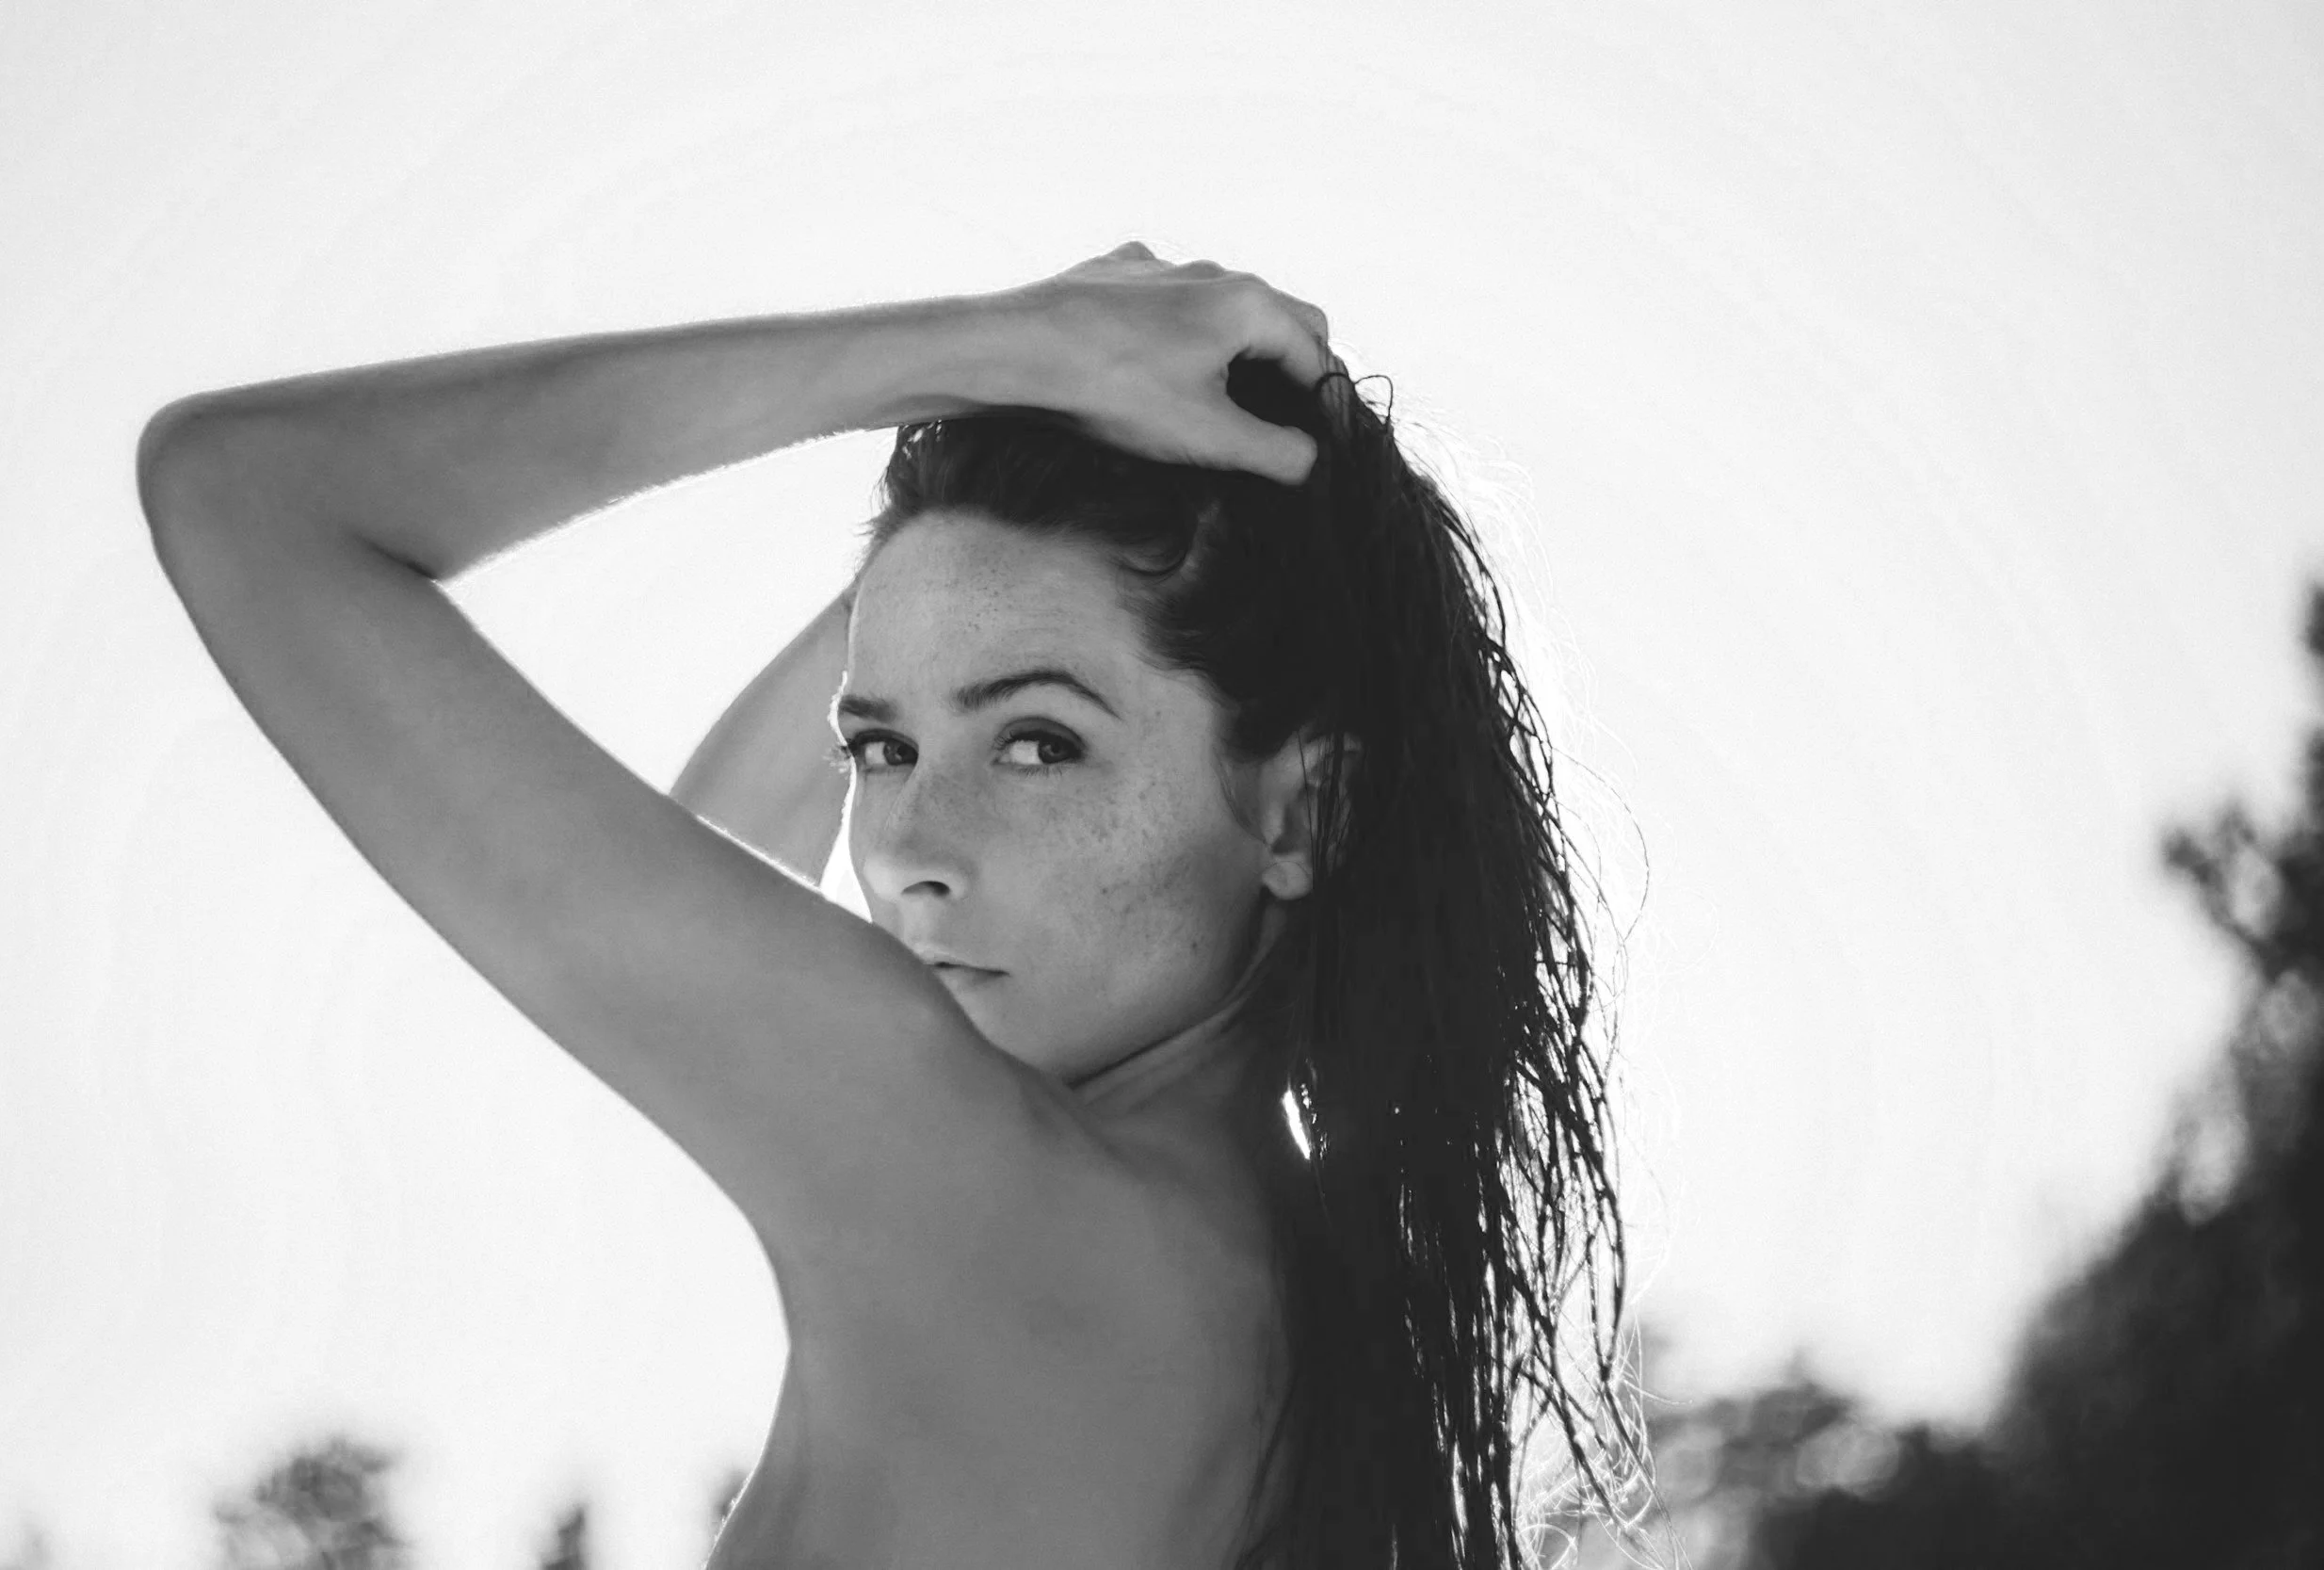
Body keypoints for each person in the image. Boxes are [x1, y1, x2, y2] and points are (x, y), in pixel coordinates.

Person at [137, 241, 1642, 1570]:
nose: (912, 846)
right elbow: (709, 858)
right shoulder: (1264, 1279)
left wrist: (995, 346)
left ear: (1303, 809)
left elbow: (242, 492)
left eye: (1039, 743)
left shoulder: (1016, 1207)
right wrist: (966, 533)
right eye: (880, 747)